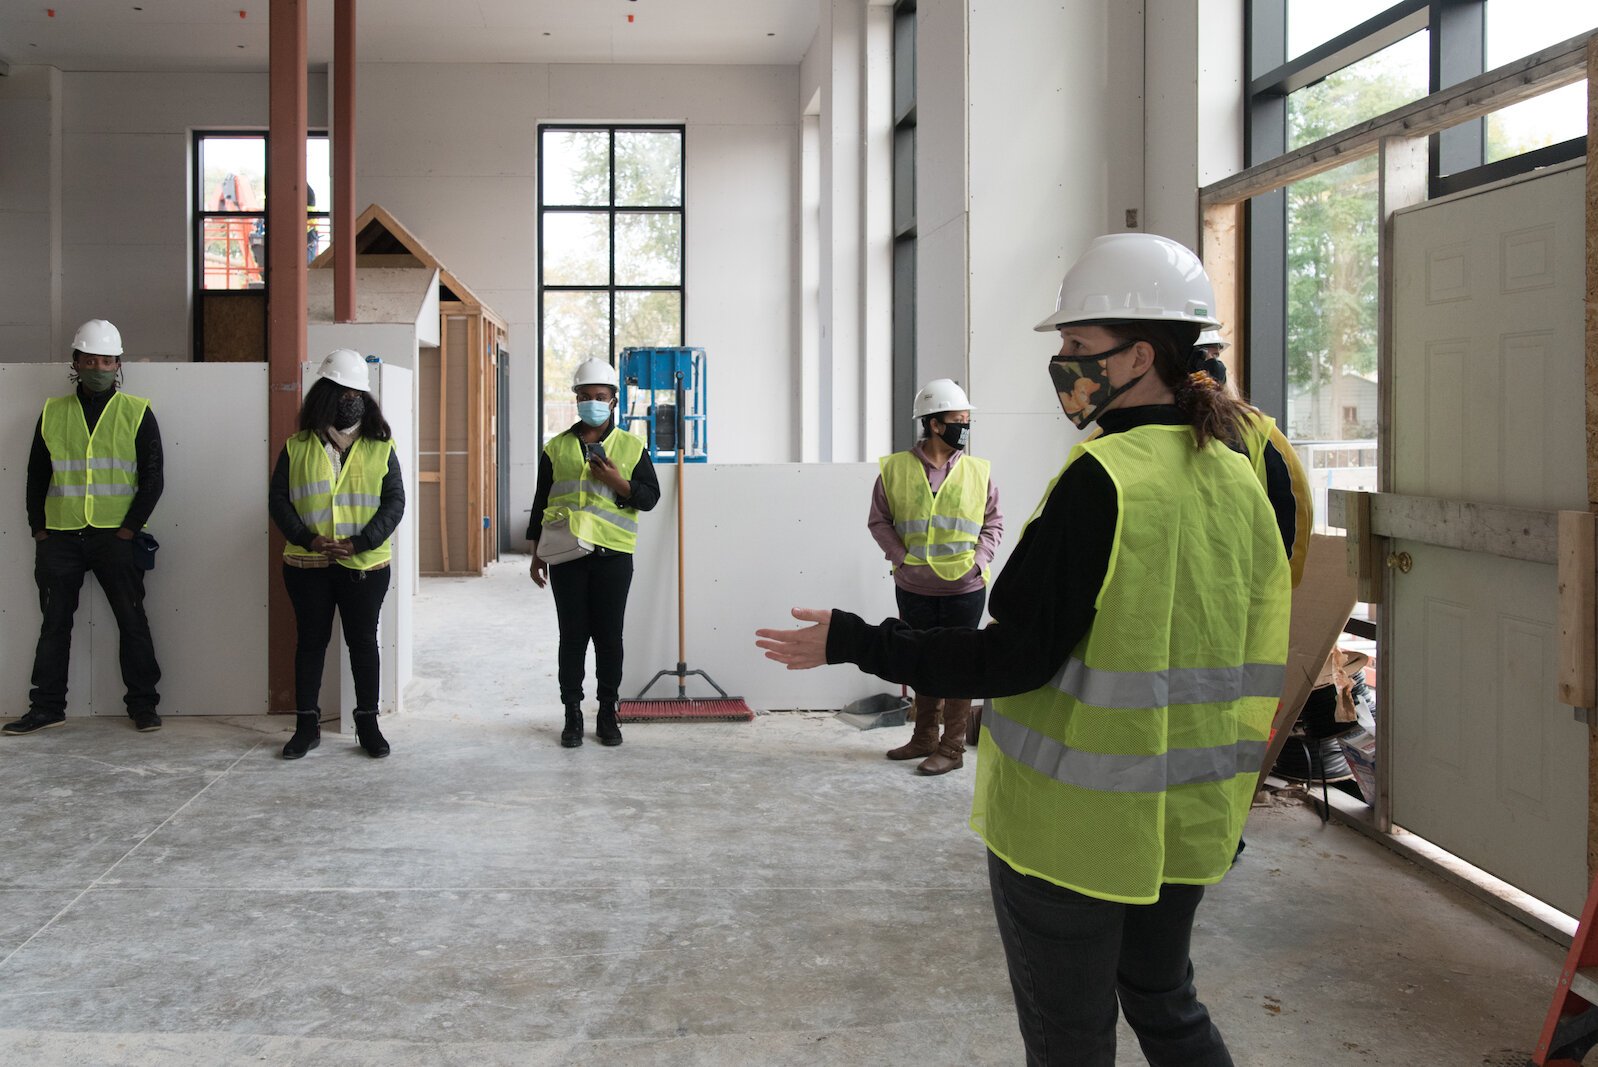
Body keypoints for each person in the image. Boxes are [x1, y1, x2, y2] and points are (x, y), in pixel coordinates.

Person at [757, 233, 1291, 1066]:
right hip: (1188, 822)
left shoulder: (1104, 479)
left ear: (1139, 354)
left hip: (1074, 831)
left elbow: (1010, 659)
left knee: (1069, 1038)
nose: (1065, 365)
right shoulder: (1235, 475)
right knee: (1166, 999)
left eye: (1078, 347)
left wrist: (854, 640)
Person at [7, 320, 165, 736]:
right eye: (90, 359)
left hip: (116, 538)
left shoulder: (137, 411)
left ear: (118, 364)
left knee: (132, 621)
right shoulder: (53, 412)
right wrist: (38, 529)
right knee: (54, 623)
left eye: (107, 360)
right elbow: (36, 477)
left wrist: (129, 529)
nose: (98, 366)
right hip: (60, 537)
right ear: (76, 362)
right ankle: (46, 707)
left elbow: (153, 478)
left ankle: (144, 706)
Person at [268, 349, 405, 760]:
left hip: (364, 565)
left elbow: (394, 503)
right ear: (324, 396)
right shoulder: (297, 446)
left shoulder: (381, 446)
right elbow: (279, 500)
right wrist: (308, 538)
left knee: (363, 643)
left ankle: (368, 725)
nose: (352, 399)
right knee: (310, 643)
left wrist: (360, 542)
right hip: (306, 564)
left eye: (358, 393)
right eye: (343, 392)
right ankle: (306, 726)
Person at [869, 378, 1003, 774]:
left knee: (959, 666)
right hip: (914, 587)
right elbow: (879, 521)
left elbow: (993, 523)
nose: (965, 426)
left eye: (966, 420)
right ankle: (924, 738)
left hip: (965, 588)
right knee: (920, 660)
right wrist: (901, 558)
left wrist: (979, 561)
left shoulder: (979, 472)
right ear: (934, 424)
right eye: (958, 419)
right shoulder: (895, 469)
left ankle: (952, 749)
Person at [528, 358, 660, 748]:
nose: (591, 403)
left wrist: (618, 482)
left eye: (599, 396)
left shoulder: (632, 446)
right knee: (572, 637)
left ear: (614, 401)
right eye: (584, 396)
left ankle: (607, 712)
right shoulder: (556, 447)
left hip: (613, 556)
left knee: (609, 637)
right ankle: (571, 713)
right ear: (576, 400)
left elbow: (650, 498)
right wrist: (536, 554)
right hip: (566, 555)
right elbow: (540, 501)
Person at [1192, 329, 1312, 587]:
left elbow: (1294, 511)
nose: (1212, 366)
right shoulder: (1124, 437)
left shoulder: (1258, 434)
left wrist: (1277, 587)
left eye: (1214, 355)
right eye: (1202, 357)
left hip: (1240, 597)